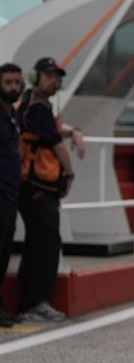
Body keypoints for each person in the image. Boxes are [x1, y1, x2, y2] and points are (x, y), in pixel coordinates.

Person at [17, 57, 83, 322]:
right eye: (49, 76)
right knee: (47, 243)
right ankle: (36, 302)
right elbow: (56, 144)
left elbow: (54, 130)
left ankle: (29, 301)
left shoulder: (32, 103)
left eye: (56, 77)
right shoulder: (37, 108)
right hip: (37, 186)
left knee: (36, 242)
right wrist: (70, 173)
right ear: (36, 77)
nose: (54, 81)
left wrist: (74, 131)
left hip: (32, 186)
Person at [0, 63, 23, 327]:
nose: (13, 87)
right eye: (8, 82)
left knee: (4, 252)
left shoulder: (13, 116)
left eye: (17, 82)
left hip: (10, 194)